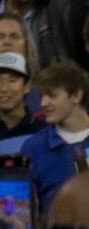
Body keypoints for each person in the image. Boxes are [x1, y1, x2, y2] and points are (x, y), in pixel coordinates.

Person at [22, 61, 89, 212]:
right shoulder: (33, 148)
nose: (43, 103)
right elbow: (19, 214)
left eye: (52, 95)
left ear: (77, 95)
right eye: (42, 95)